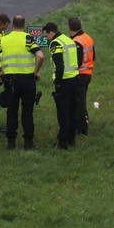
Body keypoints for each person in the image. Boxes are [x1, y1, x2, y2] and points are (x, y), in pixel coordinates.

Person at [0, 15, 43, 150]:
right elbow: (40, 55)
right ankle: (28, 143)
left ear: (12, 25)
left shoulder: (4, 39)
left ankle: (11, 142)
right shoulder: (29, 39)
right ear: (24, 25)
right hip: (27, 80)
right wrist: (35, 71)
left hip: (10, 80)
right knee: (27, 112)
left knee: (11, 111)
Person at [44, 22, 81, 150]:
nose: (46, 38)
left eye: (46, 35)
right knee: (72, 111)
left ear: (51, 32)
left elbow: (59, 66)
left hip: (64, 81)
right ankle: (71, 139)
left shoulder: (55, 43)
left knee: (63, 113)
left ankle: (62, 142)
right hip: (75, 79)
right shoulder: (68, 40)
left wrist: (58, 83)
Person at [69, 17, 94, 136]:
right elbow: (93, 56)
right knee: (81, 100)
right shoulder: (88, 38)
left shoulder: (76, 41)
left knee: (79, 102)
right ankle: (82, 124)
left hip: (80, 75)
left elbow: (76, 62)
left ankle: (82, 129)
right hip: (88, 73)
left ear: (70, 28)